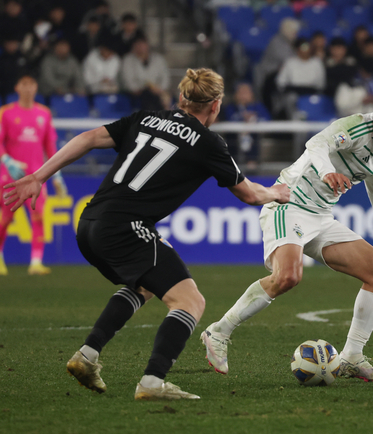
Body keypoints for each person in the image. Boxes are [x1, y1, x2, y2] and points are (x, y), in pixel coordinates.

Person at [3, 68, 290, 400]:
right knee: (190, 301)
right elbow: (250, 194)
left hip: (90, 223)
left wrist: (38, 176)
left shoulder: (146, 118)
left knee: (144, 285)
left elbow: (87, 138)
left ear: (183, 98)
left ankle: (88, 355)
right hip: (126, 228)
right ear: (215, 105)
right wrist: (276, 193)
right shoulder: (210, 143)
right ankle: (153, 382)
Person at [201, 85, 373, 381]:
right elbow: (317, 144)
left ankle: (351, 357)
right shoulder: (356, 128)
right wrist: (326, 171)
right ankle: (218, 331)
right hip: (288, 202)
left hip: (320, 216)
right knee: (288, 277)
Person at [0, 75, 66, 276]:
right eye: (24, 84)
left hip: (37, 176)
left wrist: (57, 175)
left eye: (32, 84)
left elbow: (50, 146)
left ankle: (36, 262)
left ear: (36, 87)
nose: (28, 88)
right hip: (12, 176)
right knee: (6, 218)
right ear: (17, 87)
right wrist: (7, 161)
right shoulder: (6, 112)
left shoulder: (44, 113)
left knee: (38, 216)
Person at [223, 82, 271, 170]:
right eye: (240, 92)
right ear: (235, 95)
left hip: (253, 138)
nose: (243, 95)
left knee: (253, 136)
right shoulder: (230, 107)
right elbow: (229, 119)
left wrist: (253, 119)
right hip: (234, 140)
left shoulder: (258, 106)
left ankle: (252, 165)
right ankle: (233, 166)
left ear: (252, 94)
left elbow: (267, 119)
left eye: (246, 92)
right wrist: (242, 118)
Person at [121, 37, 170, 110]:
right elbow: (127, 80)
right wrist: (140, 88)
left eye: (142, 44)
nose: (141, 47)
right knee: (147, 95)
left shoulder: (159, 59)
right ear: (134, 46)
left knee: (162, 98)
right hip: (136, 92)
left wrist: (159, 89)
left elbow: (165, 78)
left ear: (147, 45)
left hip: (157, 91)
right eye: (138, 45)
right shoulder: (128, 60)